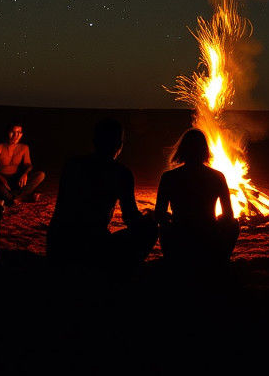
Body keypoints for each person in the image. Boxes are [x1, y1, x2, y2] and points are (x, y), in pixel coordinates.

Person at [46, 117, 157, 275]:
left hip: (58, 243)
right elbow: (130, 217)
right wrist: (150, 218)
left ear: (94, 141)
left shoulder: (72, 165)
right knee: (150, 229)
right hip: (92, 245)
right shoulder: (121, 173)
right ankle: (121, 274)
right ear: (120, 145)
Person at [155, 129, 239, 272]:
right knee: (234, 224)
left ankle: (174, 259)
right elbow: (228, 214)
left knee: (162, 227)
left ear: (182, 150)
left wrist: (170, 219)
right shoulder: (218, 176)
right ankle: (219, 261)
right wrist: (218, 222)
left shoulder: (169, 177)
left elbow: (159, 214)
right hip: (209, 236)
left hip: (179, 236)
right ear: (205, 151)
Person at [0, 122, 45, 204]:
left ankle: (13, 197)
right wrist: (2, 179)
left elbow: (29, 165)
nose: (15, 135)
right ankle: (21, 197)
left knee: (40, 175)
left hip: (16, 179)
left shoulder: (24, 148)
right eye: (13, 132)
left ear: (21, 134)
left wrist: (25, 174)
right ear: (7, 132)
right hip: (1, 179)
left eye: (18, 132)